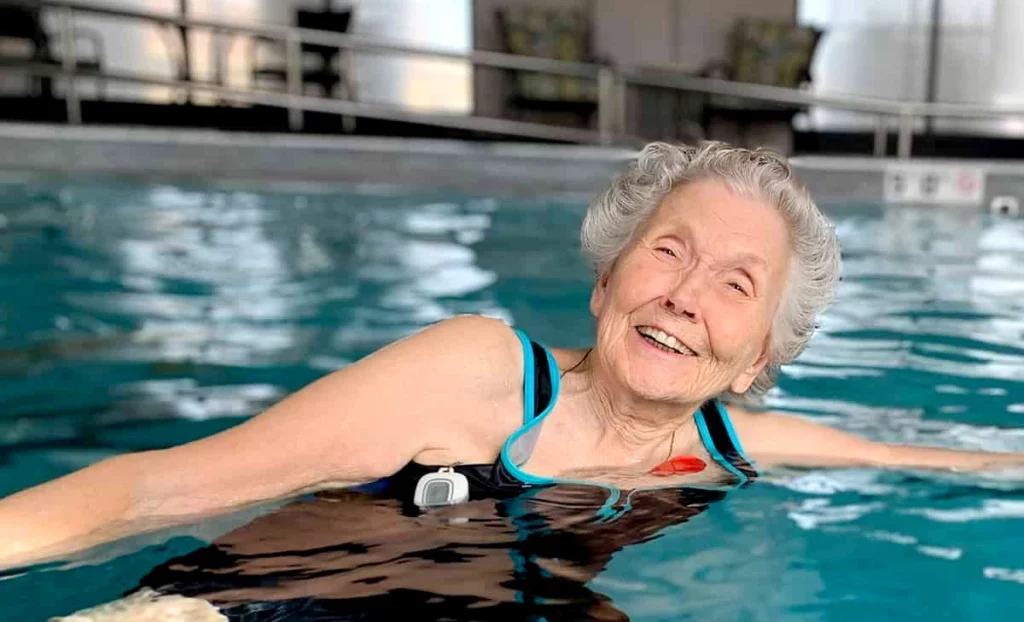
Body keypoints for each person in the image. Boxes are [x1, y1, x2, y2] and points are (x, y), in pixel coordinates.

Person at [4, 141, 1023, 577]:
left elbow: (939, 467)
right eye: (667, 251)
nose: (683, 294)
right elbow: (159, 488)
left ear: (756, 357)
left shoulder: (734, 445)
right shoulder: (477, 375)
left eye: (733, 284)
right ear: (605, 278)